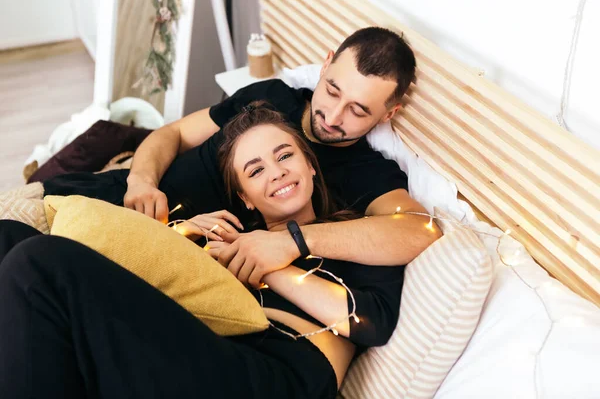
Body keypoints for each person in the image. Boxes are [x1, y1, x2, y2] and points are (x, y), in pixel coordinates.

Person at [0, 104, 406, 398]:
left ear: (311, 166)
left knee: (38, 264)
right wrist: (181, 236)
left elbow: (373, 323)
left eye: (285, 156)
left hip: (281, 368)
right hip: (203, 338)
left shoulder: (351, 231)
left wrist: (271, 262)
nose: (277, 172)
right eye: (256, 169)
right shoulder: (234, 233)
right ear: (244, 198)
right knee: (9, 237)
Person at [44, 27, 441, 284]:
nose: (333, 116)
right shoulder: (271, 95)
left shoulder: (366, 170)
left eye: (358, 110)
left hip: (166, 260)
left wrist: (295, 241)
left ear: (388, 114)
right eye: (333, 91)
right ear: (324, 66)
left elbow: (419, 229)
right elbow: (174, 133)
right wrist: (141, 179)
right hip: (119, 197)